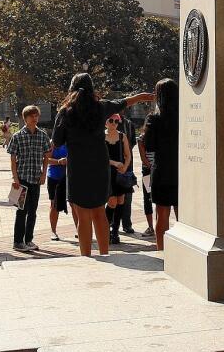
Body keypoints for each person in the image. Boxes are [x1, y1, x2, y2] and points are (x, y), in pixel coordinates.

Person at [52, 74, 154, 257]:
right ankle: (104, 253)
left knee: (83, 215)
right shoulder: (100, 107)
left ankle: (86, 257)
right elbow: (122, 102)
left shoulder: (66, 111)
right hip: (100, 165)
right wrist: (141, 96)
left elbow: (57, 141)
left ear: (71, 89)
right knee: (99, 211)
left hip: (78, 167)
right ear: (91, 88)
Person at [138, 78, 178, 250]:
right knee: (183, 217)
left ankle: (161, 252)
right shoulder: (185, 115)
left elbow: (150, 145)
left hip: (161, 170)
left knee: (162, 215)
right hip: (181, 171)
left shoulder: (154, 118)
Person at [7, 105, 50, 251]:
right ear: (25, 118)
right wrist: (15, 178)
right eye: (32, 116)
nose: (35, 118)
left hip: (36, 179)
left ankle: (29, 239)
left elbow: (47, 155)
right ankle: (18, 242)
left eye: (36, 115)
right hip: (23, 179)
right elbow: (13, 159)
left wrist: (44, 173)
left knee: (33, 211)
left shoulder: (43, 135)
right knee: (21, 211)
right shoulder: (17, 136)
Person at [103, 114, 134, 245]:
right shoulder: (100, 136)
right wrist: (115, 163)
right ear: (105, 122)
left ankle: (114, 231)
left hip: (120, 173)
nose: (114, 123)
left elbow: (128, 155)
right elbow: (99, 157)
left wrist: (125, 167)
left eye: (116, 121)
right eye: (111, 120)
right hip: (107, 173)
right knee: (112, 202)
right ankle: (105, 230)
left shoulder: (122, 136)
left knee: (121, 201)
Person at [45, 143, 69, 241]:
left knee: (74, 204)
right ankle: (53, 231)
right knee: (54, 204)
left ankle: (79, 230)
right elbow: (46, 160)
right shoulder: (52, 143)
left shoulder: (71, 140)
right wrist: (59, 161)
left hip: (69, 177)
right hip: (54, 177)